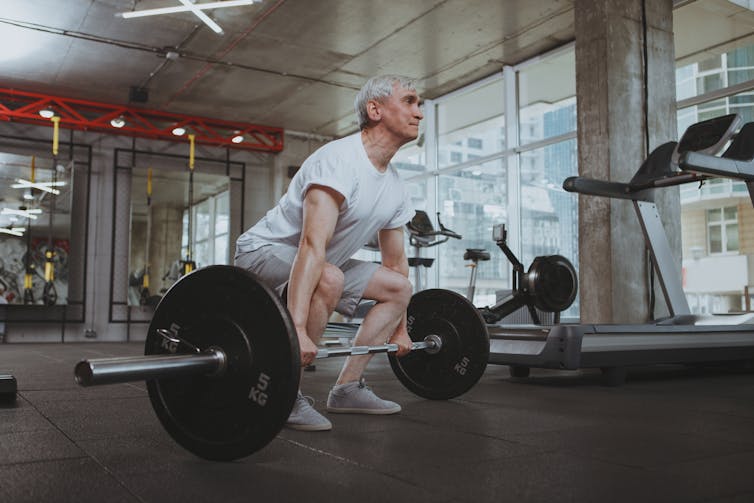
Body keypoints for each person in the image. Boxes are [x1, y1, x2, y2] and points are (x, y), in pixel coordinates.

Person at [234, 75, 423, 431]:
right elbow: (311, 244)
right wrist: (300, 330)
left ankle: (347, 389)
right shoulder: (339, 159)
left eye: (419, 103)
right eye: (410, 101)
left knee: (399, 288)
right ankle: (285, 394)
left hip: (316, 263)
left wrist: (401, 331)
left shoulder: (396, 186)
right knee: (329, 276)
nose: (419, 112)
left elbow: (396, 265)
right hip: (262, 252)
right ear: (375, 109)